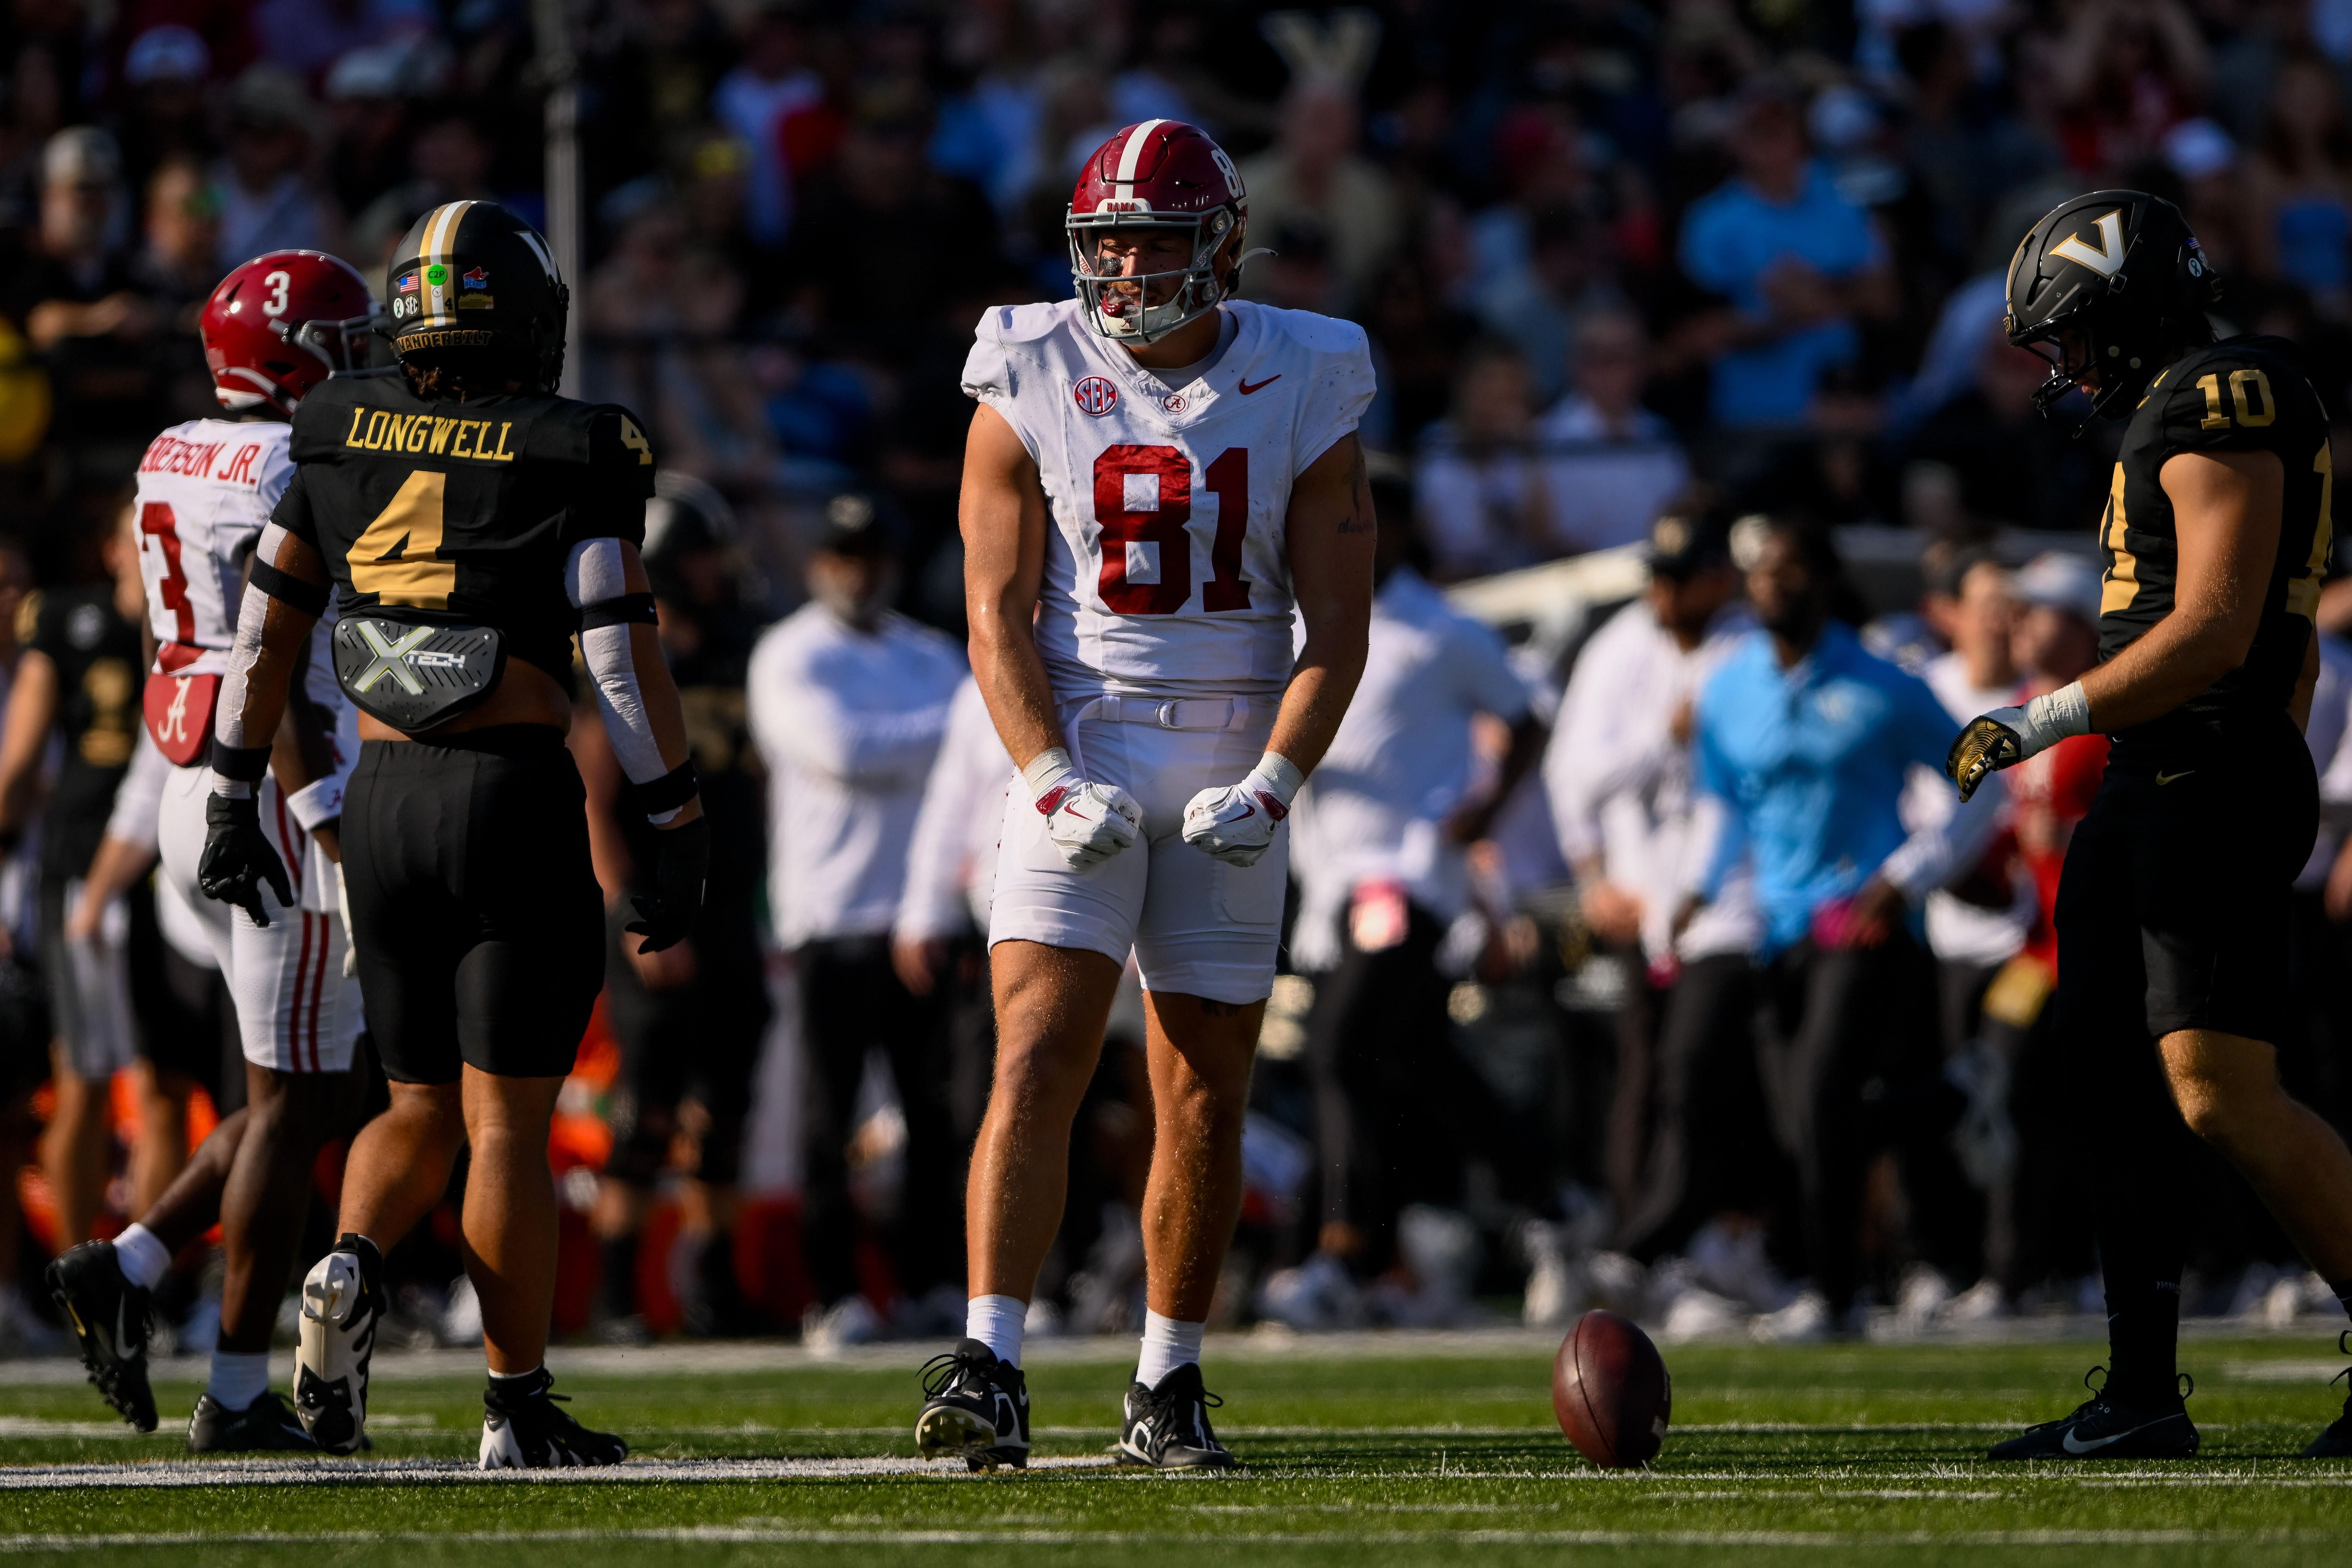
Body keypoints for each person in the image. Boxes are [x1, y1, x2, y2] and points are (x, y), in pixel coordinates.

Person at [198, 201, 696, 1468]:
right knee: (507, 1125)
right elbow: (618, 661)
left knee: (411, 1098)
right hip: (508, 792)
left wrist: (232, 792)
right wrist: (673, 818)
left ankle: (351, 1260)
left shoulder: (331, 426)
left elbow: (265, 636)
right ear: (528, 321)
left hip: (381, 795)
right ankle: (515, 1404)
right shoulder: (576, 444)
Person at [916, 119, 1374, 1471]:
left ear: (1219, 246)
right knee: (1039, 1050)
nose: (1120, 267)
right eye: (1103, 240)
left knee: (1204, 1089)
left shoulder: (1308, 367)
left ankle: (1165, 1378)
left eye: (1152, 240)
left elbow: (1336, 634)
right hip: (1087, 734)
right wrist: (1046, 772)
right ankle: (990, 1356)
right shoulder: (1026, 362)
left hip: (1237, 740)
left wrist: (1277, 782)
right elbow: (992, 614)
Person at [1949, 190, 2352, 1460]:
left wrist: (2040, 714)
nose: (2062, 365)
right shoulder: (2175, 401)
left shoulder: (2225, 391)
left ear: (2127, 312)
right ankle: (2138, 1391)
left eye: (2071, 334)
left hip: (2202, 769)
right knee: (2109, 1087)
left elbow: (2219, 626)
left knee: (2218, 1087)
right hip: (2155, 772)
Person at [46, 249, 373, 1451]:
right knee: (292, 1107)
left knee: (318, 1084)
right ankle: (237, 1395)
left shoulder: (171, 451)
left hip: (194, 775)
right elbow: (267, 650)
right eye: (344, 340)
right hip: (278, 782)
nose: (364, 358)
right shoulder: (292, 459)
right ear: (294, 353)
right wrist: (326, 811)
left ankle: (126, 1263)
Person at [1679, 513, 1997, 1340]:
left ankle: (1833, 1290)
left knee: (1822, 1096)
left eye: (1786, 568)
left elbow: (1982, 775)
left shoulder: (1881, 682)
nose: (1767, 584)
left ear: (1822, 579)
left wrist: (1909, 875)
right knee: (1802, 1116)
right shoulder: (1728, 686)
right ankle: (1940, 1107)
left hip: (1862, 922)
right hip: (1775, 926)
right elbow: (1721, 802)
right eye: (1757, 571)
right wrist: (1694, 887)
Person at [1278, 458, 1543, 1315]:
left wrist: (1481, 812)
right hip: (1327, 888)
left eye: (1363, 517)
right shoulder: (1303, 622)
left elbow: (1527, 717)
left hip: (1404, 877)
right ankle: (1553, 1201)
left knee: (1339, 1048)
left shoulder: (1441, 631)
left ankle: (1344, 1252)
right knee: (1415, 1063)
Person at [744, 492, 965, 1349]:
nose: (857, 572)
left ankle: (931, 1285)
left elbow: (961, 751)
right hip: (831, 915)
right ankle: (833, 1293)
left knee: (936, 1114)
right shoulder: (791, 653)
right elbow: (841, 754)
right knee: (827, 1119)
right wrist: (944, 734)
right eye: (842, 557)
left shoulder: (931, 652)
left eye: (870, 557)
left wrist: (923, 739)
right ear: (817, 566)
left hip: (925, 913)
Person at [1545, 509, 1767, 1270]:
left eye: (1679, 579)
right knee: (1656, 1072)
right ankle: (1648, 1233)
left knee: (1715, 1070)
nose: (1661, 595)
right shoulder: (1618, 651)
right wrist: (1593, 876)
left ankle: (1704, 1235)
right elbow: (1577, 776)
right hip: (1646, 900)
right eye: (1659, 578)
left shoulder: (1752, 650)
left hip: (1741, 898)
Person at [579, 472, 770, 1342]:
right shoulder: (621, 660)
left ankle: (714, 1286)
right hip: (661, 911)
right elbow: (592, 799)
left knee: (724, 1108)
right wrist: (631, 909)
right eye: (695, 556)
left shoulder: (739, 648)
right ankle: (619, 1293)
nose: (712, 570)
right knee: (649, 1111)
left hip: (732, 908)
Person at [0, 511, 149, 1251]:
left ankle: (153, 1277)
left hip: (163, 875)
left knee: (160, 1089)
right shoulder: (69, 621)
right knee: (86, 1082)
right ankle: (75, 1270)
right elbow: (16, 772)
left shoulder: (203, 630)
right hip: (82, 870)